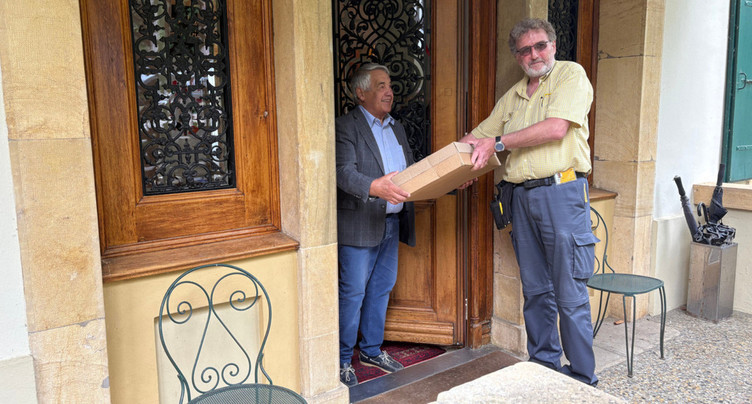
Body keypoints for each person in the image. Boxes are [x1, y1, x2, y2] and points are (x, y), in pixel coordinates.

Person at [460, 18, 599, 386]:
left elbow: (555, 128)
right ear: (517, 57)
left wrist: (498, 143)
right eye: (525, 50)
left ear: (553, 46)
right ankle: (544, 369)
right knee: (536, 291)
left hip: (561, 194)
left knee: (569, 293)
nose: (534, 54)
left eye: (540, 46)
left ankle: (582, 379)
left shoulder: (570, 75)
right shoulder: (514, 95)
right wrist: (452, 168)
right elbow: (477, 137)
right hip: (521, 198)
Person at [335, 63, 415, 387]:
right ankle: (342, 360)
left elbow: (412, 171)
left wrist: (450, 181)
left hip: (391, 224)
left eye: (390, 85)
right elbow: (342, 172)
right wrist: (374, 187)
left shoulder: (397, 128)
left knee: (381, 288)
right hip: (359, 224)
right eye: (381, 86)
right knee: (353, 293)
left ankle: (370, 350)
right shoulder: (345, 126)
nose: (389, 91)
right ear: (361, 93)